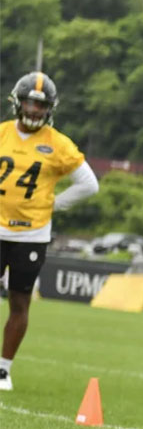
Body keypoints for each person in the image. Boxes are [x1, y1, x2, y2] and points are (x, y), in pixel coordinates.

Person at [0, 72, 99, 392]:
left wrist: (55, 204)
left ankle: (3, 369)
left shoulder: (58, 144)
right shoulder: (2, 133)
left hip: (32, 234)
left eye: (40, 106)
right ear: (18, 101)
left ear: (50, 109)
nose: (33, 110)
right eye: (29, 102)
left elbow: (89, 184)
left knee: (20, 301)